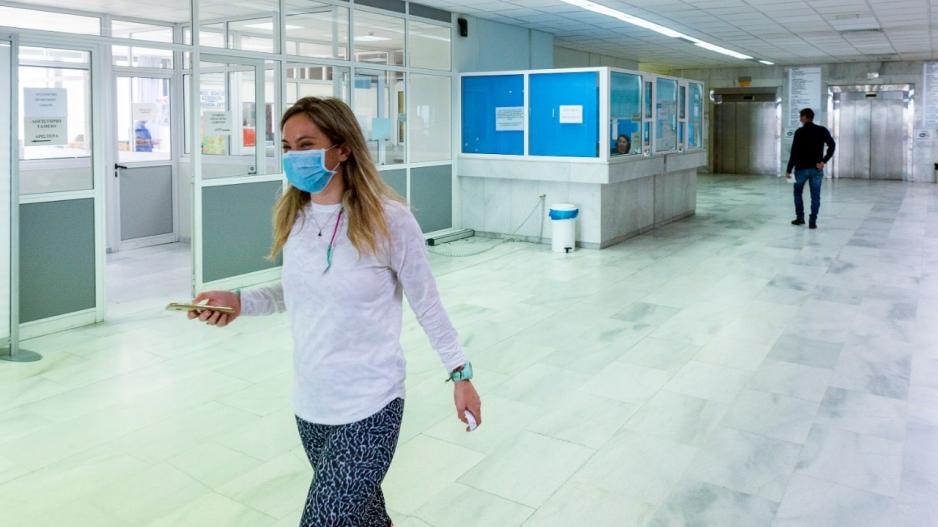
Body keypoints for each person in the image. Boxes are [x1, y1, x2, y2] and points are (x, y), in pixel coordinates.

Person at [188, 97, 482, 527]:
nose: (294, 157)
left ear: (342, 148)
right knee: (364, 515)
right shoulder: (296, 216)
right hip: (311, 403)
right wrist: (239, 301)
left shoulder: (390, 220)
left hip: (371, 403)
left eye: (306, 144)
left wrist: (460, 375)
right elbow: (298, 291)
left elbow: (428, 304)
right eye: (287, 147)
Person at [785, 108, 835, 229]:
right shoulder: (821, 130)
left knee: (797, 192)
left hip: (801, 169)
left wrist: (789, 170)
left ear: (805, 117)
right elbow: (832, 145)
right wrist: (823, 161)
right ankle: (812, 222)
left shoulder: (799, 132)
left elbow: (794, 152)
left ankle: (800, 218)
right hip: (816, 169)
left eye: (801, 116)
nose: (800, 119)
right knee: (815, 196)